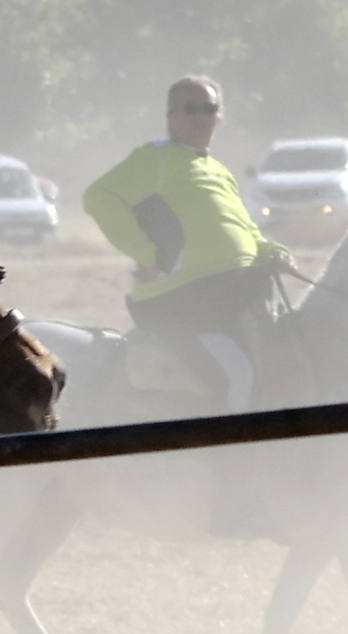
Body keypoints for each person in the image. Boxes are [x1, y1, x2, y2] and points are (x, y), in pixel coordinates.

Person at [83, 75, 288, 410]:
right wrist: (146, 254)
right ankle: (233, 459)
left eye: (208, 109)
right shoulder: (156, 158)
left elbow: (247, 229)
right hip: (180, 303)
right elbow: (98, 197)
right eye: (189, 109)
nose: (199, 117)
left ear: (219, 117)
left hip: (232, 297)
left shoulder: (219, 170)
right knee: (237, 375)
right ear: (171, 117)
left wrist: (274, 252)